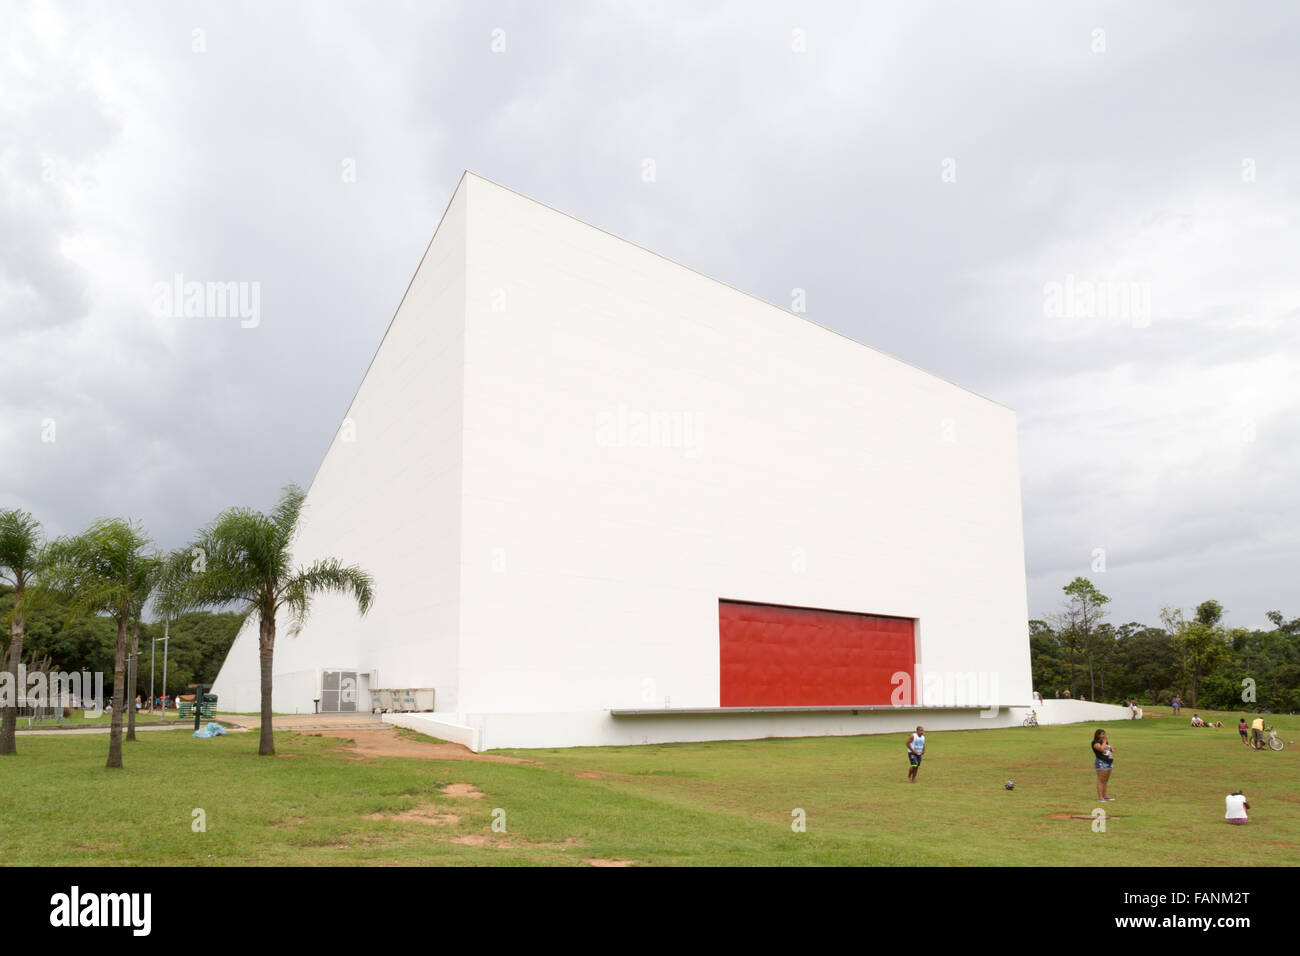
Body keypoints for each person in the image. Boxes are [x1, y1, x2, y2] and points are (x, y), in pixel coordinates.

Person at [1091, 729, 1115, 801]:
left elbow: (1112, 749)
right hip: (1101, 762)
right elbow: (1101, 749)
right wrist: (1104, 742)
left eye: (1105, 734)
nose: (1104, 735)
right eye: (1103, 734)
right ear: (1098, 735)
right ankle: (1100, 797)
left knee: (1105, 780)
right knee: (1101, 780)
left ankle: (1105, 796)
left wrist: (1108, 743)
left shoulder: (1105, 742)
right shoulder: (1095, 743)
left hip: (1109, 762)